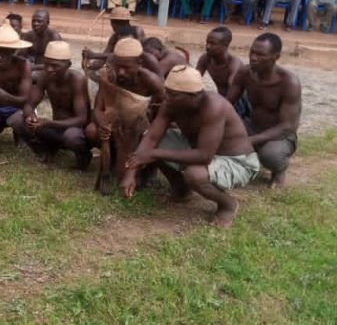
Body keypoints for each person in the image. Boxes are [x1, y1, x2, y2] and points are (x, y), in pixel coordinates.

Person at [124, 65, 260, 228]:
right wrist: (130, 173)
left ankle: (227, 204)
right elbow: (151, 138)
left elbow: (204, 156)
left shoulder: (214, 107)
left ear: (194, 96)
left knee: (195, 174)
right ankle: (181, 191)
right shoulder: (171, 104)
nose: (167, 98)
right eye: (167, 91)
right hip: (198, 150)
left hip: (236, 161)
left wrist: (154, 153)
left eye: (173, 94)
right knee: (152, 142)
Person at [85, 37, 164, 195]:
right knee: (91, 130)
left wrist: (147, 131)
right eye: (118, 66)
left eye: (127, 68)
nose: (121, 72)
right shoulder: (108, 76)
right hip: (116, 126)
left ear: (139, 63)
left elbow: (164, 114)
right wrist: (102, 126)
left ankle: (147, 169)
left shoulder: (150, 80)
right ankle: (113, 160)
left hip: (141, 131)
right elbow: (98, 110)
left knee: (126, 172)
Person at [227, 33, 301, 188]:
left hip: (280, 136)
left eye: (261, 55)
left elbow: (287, 126)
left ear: (276, 57)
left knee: (270, 156)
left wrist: (250, 140)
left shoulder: (289, 82)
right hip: (252, 126)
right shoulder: (245, 73)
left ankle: (279, 169)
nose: (253, 58)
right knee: (218, 130)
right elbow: (227, 103)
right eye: (252, 52)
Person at [15, 41, 91, 169]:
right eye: (46, 64)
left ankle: (83, 155)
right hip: (57, 127)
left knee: (71, 137)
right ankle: (48, 148)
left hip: (77, 129)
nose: (49, 69)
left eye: (55, 66)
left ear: (68, 65)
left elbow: (81, 119)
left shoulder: (77, 80)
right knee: (19, 120)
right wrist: (31, 117)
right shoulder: (44, 77)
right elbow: (29, 105)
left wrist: (48, 123)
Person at [196, 26, 242, 96]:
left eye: (213, 44)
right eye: (207, 42)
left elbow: (233, 93)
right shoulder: (205, 58)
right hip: (223, 98)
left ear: (225, 45)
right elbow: (194, 80)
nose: (208, 46)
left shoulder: (234, 64)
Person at [21, 9, 62, 77]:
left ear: (47, 22)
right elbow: (20, 55)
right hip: (31, 68)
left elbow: (57, 63)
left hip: (48, 71)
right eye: (33, 21)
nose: (35, 24)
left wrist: (33, 67)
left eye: (39, 21)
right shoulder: (29, 35)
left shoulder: (54, 37)